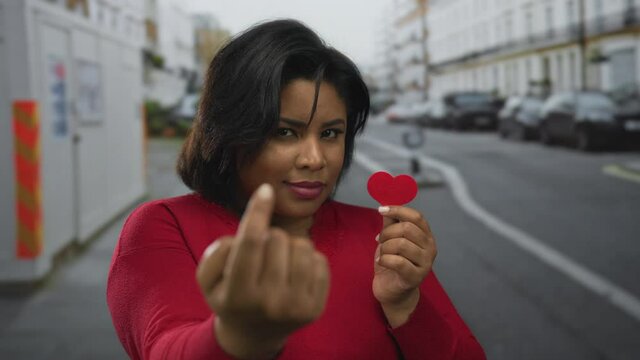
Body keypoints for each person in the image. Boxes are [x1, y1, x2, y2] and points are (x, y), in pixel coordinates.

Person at [107, 19, 486, 360]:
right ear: (228, 133)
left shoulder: (382, 237)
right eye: (284, 132)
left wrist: (406, 304)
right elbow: (165, 348)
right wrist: (240, 336)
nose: (314, 158)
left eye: (331, 133)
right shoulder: (163, 227)